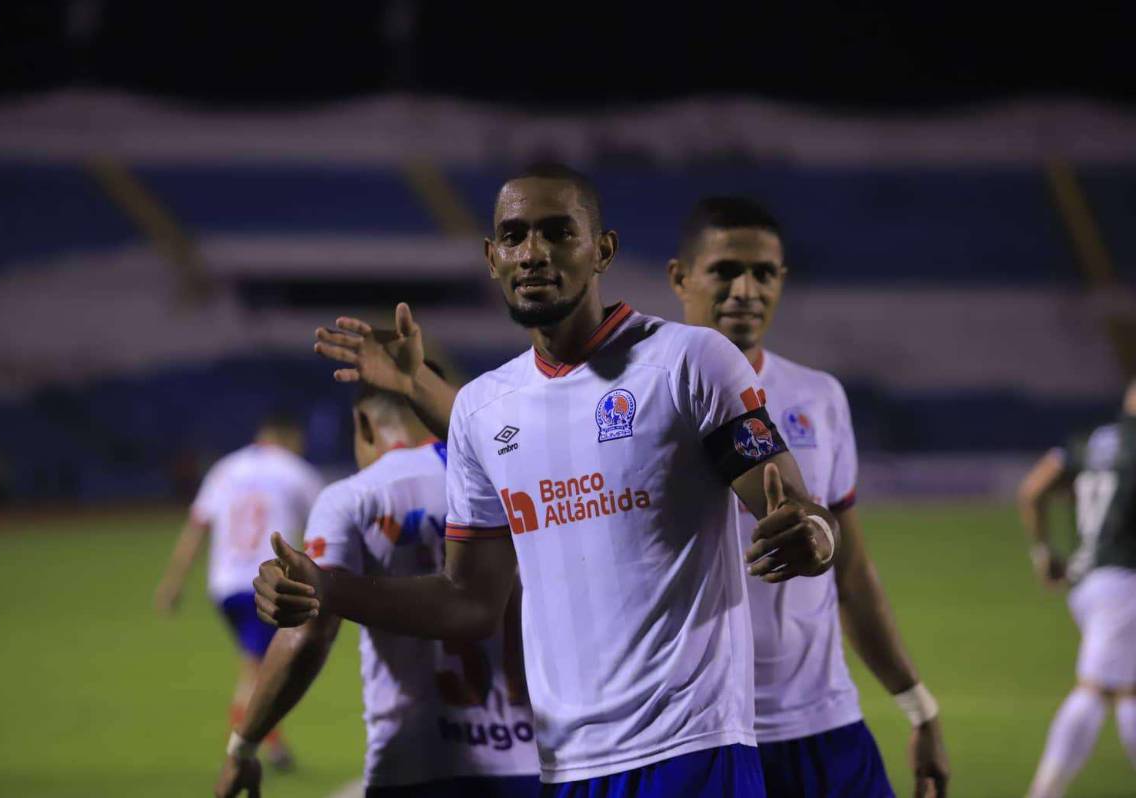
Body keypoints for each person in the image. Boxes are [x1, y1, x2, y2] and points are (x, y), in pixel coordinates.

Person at [276, 163, 840, 795]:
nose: (534, 252)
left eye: (557, 232)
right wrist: (328, 587)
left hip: (693, 752)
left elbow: (788, 501)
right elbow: (468, 602)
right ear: (492, 258)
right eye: (515, 237)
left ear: (602, 250)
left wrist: (814, 534)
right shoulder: (482, 409)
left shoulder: (691, 361)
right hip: (568, 769)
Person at [665, 196, 949, 797]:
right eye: (724, 270)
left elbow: (851, 573)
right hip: (700, 733)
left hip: (823, 724)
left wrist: (919, 706)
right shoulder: (638, 403)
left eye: (764, 273)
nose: (746, 289)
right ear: (679, 277)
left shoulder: (819, 396)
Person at [215, 374, 540, 798]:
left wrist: (244, 747)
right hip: (536, 759)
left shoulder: (354, 497)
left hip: (413, 764)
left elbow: (308, 633)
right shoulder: (513, 479)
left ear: (364, 425)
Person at [155, 411, 323, 770]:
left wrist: (173, 582)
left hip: (225, 587)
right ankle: (244, 752)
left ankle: (272, 747)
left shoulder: (225, 470)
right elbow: (325, 525)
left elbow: (197, 525)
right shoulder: (296, 471)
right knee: (259, 673)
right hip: (267, 585)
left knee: (257, 666)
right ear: (290, 437)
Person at [1018, 379, 1136, 798]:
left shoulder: (1091, 440)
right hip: (1126, 580)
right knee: (1098, 688)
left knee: (1125, 688)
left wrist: (1043, 553)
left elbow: (1034, 489)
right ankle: (1045, 790)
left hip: (1087, 581)